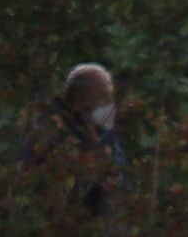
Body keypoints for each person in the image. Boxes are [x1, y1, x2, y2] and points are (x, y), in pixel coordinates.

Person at [21, 62, 129, 218]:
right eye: (103, 97)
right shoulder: (50, 128)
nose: (108, 105)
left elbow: (121, 175)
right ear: (80, 96)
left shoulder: (102, 132)